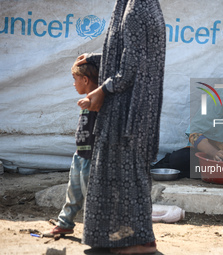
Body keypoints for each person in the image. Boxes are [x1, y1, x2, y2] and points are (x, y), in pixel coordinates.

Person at [75, 0, 166, 254]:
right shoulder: (137, 6)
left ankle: (138, 243)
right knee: (119, 173)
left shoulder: (137, 9)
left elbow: (129, 69)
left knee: (127, 175)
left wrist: (101, 90)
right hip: (130, 106)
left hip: (129, 109)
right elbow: (130, 53)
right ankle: (119, 240)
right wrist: (96, 59)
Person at [49, 61, 99, 235]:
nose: (73, 83)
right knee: (73, 192)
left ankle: (95, 230)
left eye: (74, 78)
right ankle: (65, 223)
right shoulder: (87, 99)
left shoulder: (97, 99)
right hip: (80, 154)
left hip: (92, 156)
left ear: (85, 79)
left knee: (90, 195)